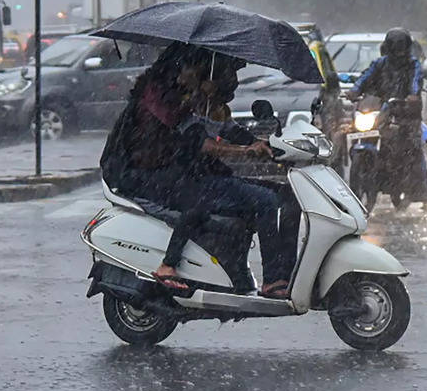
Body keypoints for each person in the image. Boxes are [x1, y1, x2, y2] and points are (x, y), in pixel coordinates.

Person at [98, 46, 295, 298]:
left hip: (185, 172)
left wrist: (268, 144)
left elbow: (230, 130)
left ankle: (265, 272)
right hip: (151, 176)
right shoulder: (166, 99)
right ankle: (171, 264)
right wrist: (242, 150)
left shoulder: (201, 102)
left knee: (283, 196)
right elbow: (199, 142)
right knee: (244, 201)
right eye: (195, 70)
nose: (193, 76)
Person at [350, 28, 427, 212]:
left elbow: (415, 81)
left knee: (414, 147)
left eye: (401, 48)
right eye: (395, 48)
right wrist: (355, 90)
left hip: (406, 114)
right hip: (380, 112)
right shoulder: (379, 64)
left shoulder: (413, 65)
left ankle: (424, 195)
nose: (398, 52)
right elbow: (364, 78)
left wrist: (412, 96)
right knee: (354, 134)